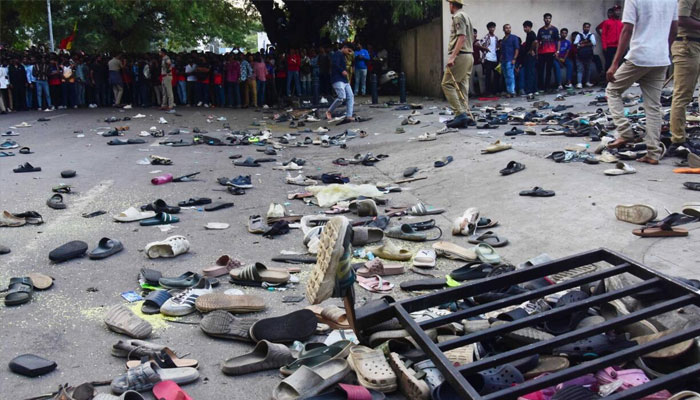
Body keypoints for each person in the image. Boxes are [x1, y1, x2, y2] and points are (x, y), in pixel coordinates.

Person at [606, 0, 678, 165]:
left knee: (612, 90)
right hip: (660, 58)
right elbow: (674, 28)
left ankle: (625, 132)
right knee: (653, 106)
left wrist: (615, 63)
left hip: (639, 56)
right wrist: (663, 50)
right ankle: (653, 152)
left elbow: (627, 30)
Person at [668, 0, 700, 156]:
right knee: (683, 95)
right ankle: (678, 140)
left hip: (695, 45)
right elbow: (682, 18)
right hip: (687, 45)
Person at [442, 0, 474, 129]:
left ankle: (459, 114)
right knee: (462, 86)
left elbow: (462, 37)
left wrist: (453, 56)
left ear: (452, 5)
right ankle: (466, 114)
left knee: (447, 84)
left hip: (461, 55)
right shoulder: (466, 16)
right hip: (468, 55)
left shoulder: (458, 16)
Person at [326, 42, 355, 123]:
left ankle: (349, 116)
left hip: (344, 79)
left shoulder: (343, 55)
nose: (349, 53)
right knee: (341, 97)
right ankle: (329, 111)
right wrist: (342, 71)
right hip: (337, 79)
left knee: (350, 96)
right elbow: (334, 64)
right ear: (344, 48)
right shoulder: (337, 54)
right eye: (349, 51)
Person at [597, 5, 624, 75]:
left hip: (618, 46)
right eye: (616, 11)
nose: (618, 12)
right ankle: (606, 80)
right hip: (609, 46)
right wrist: (604, 46)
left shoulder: (621, 23)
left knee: (619, 62)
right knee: (608, 63)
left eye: (619, 11)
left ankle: (617, 79)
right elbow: (603, 35)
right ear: (613, 12)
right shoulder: (607, 22)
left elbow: (623, 35)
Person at [537, 13, 559, 92]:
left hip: (551, 52)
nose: (547, 20)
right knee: (541, 70)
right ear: (543, 19)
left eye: (549, 18)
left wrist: (557, 51)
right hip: (542, 53)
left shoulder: (554, 29)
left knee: (549, 70)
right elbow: (538, 41)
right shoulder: (541, 30)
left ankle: (547, 87)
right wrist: (536, 53)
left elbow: (558, 41)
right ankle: (541, 87)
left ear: (551, 19)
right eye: (546, 18)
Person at [574, 23, 597, 88]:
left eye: (588, 27)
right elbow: (575, 43)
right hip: (580, 55)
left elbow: (594, 43)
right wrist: (587, 42)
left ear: (589, 28)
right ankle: (579, 83)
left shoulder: (591, 35)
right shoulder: (579, 35)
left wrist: (583, 43)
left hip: (588, 55)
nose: (586, 28)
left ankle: (587, 82)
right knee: (580, 69)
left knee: (588, 69)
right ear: (583, 27)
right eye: (585, 27)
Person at [500, 24, 520, 97]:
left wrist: (514, 58)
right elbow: (502, 50)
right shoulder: (503, 39)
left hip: (510, 59)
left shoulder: (514, 38)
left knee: (510, 75)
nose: (508, 29)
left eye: (509, 28)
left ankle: (512, 91)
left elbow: (517, 49)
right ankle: (508, 91)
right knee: (506, 76)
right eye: (506, 28)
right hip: (504, 60)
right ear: (503, 30)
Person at [481, 22, 499, 96]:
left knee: (496, 75)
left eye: (493, 27)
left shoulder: (496, 38)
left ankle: (495, 91)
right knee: (488, 76)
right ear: (488, 29)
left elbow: (497, 47)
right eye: (490, 27)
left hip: (495, 58)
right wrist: (485, 48)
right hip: (488, 58)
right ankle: (488, 92)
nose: (492, 29)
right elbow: (477, 44)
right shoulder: (486, 37)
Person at [471, 28, 487, 96]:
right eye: (473, 33)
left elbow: (484, 51)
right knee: (470, 79)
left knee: (481, 78)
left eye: (475, 33)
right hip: (470, 64)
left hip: (478, 63)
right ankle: (471, 93)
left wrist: (482, 58)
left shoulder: (478, 42)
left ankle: (482, 92)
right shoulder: (467, 42)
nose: (474, 35)